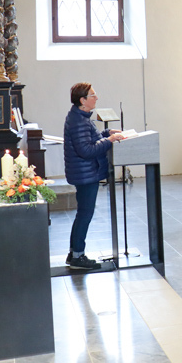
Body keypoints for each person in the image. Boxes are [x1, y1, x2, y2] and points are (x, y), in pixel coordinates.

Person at [63, 82, 125, 270]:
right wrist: (109, 140)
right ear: (83, 100)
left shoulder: (80, 116)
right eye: (92, 95)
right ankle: (78, 256)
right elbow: (86, 150)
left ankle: (74, 253)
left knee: (83, 213)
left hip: (85, 172)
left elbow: (90, 139)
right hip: (85, 173)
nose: (96, 97)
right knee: (85, 214)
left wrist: (107, 133)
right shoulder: (79, 121)